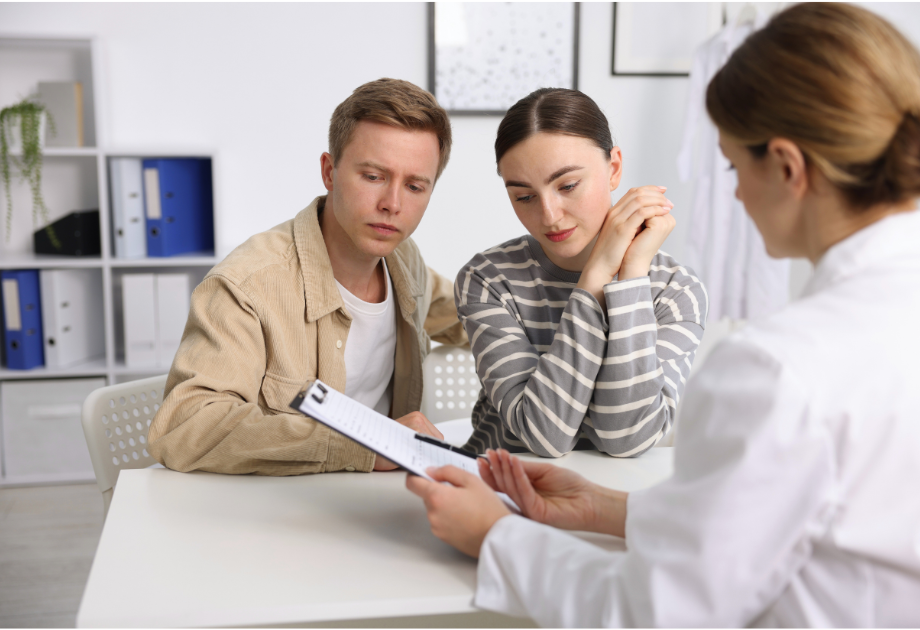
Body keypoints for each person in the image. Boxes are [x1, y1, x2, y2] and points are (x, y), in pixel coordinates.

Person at [408, 3, 920, 625]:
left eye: (733, 165)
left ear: (786, 166)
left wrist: (495, 538)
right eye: (523, 194)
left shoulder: (776, 367)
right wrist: (606, 509)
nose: (731, 191)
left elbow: (659, 610)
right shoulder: (867, 329)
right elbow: (777, 523)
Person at [148, 78, 465, 475]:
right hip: (272, 515)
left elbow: (466, 315)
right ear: (330, 172)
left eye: (415, 186)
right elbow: (184, 426)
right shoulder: (248, 285)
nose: (392, 204)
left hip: (373, 505)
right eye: (373, 176)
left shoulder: (403, 260)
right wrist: (362, 446)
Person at [456, 88, 708, 458]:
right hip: (497, 493)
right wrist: (598, 274)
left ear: (614, 169)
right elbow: (543, 435)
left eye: (568, 186)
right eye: (524, 196)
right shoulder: (488, 280)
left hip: (613, 501)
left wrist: (631, 277)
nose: (550, 215)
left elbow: (626, 438)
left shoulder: (676, 290)